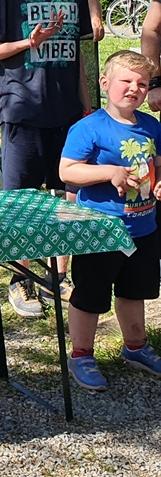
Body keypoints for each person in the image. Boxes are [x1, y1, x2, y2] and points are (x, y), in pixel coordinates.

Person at [0, 0, 92, 318]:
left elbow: (79, 54)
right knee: (20, 200)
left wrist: (87, 106)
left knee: (67, 197)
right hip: (23, 107)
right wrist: (29, 43)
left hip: (67, 110)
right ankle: (21, 279)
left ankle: (58, 276)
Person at [59, 50, 161, 390]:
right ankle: (81, 354)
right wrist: (109, 172)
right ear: (104, 83)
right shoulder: (88, 128)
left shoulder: (152, 126)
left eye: (142, 84)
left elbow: (158, 165)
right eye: (126, 81)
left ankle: (136, 346)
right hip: (100, 231)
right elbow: (67, 170)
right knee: (89, 295)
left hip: (144, 228)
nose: (134, 89)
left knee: (134, 292)